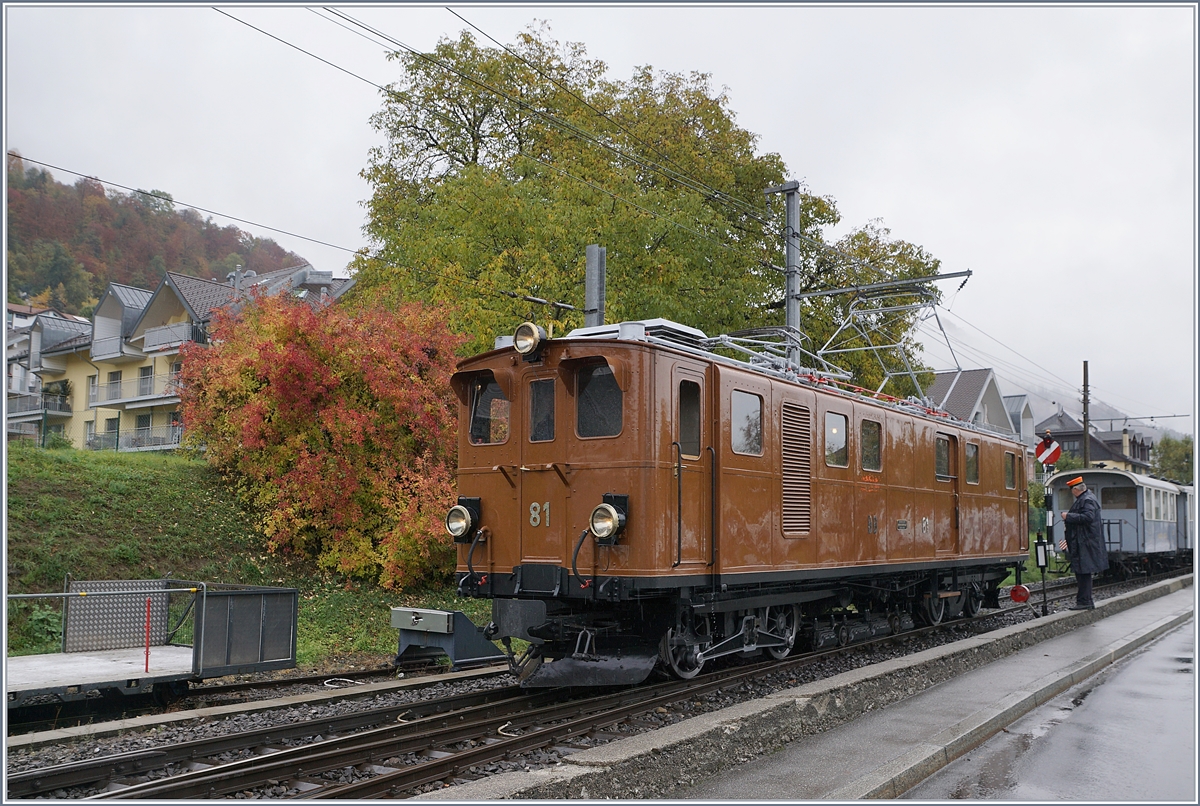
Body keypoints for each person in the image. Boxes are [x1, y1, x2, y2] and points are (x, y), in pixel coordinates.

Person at [1058, 476, 1108, 610]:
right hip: (1084, 541)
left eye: (1071, 490)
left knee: (1083, 572)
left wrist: (1068, 516)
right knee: (1082, 572)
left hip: (1085, 542)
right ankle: (1084, 601)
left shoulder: (1086, 500)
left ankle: (1084, 601)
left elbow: (1088, 517)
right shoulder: (1087, 498)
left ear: (1075, 490)